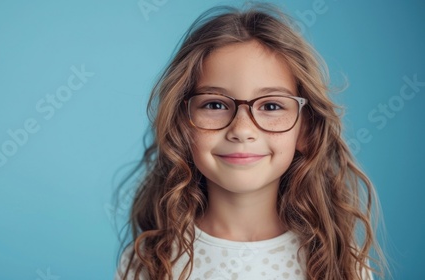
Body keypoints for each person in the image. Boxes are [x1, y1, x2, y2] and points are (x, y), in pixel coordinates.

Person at [115, 3, 386, 280]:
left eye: (271, 107)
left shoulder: (341, 262)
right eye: (215, 105)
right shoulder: (148, 262)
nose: (242, 130)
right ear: (182, 124)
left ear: (306, 129)